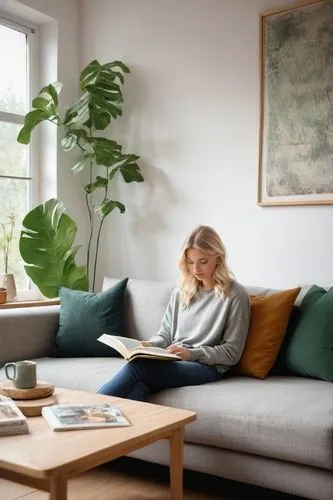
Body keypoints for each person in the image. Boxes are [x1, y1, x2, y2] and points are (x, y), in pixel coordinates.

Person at [98, 225, 250, 402]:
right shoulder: (182, 290)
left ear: (218, 257)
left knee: (138, 368)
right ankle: (120, 428)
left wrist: (191, 354)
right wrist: (148, 345)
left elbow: (231, 353)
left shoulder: (235, 295)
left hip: (207, 367)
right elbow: (166, 334)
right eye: (190, 262)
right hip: (174, 360)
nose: (196, 270)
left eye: (203, 261)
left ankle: (88, 411)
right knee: (139, 386)